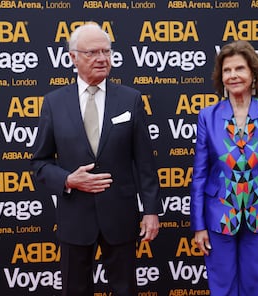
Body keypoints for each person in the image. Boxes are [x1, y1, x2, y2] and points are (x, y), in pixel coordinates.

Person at [31, 23, 161, 296]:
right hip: (75, 218)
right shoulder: (54, 103)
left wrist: (151, 211)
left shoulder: (130, 99)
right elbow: (40, 162)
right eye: (92, 53)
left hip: (120, 216)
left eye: (106, 51)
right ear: (73, 58)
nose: (102, 58)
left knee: (125, 289)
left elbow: (145, 162)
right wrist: (67, 179)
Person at [190, 40, 258, 296]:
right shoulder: (208, 116)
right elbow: (199, 175)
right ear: (220, 76)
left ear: (253, 74)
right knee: (222, 287)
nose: (233, 75)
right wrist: (198, 226)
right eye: (227, 70)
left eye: (239, 69)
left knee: (257, 287)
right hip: (218, 217)